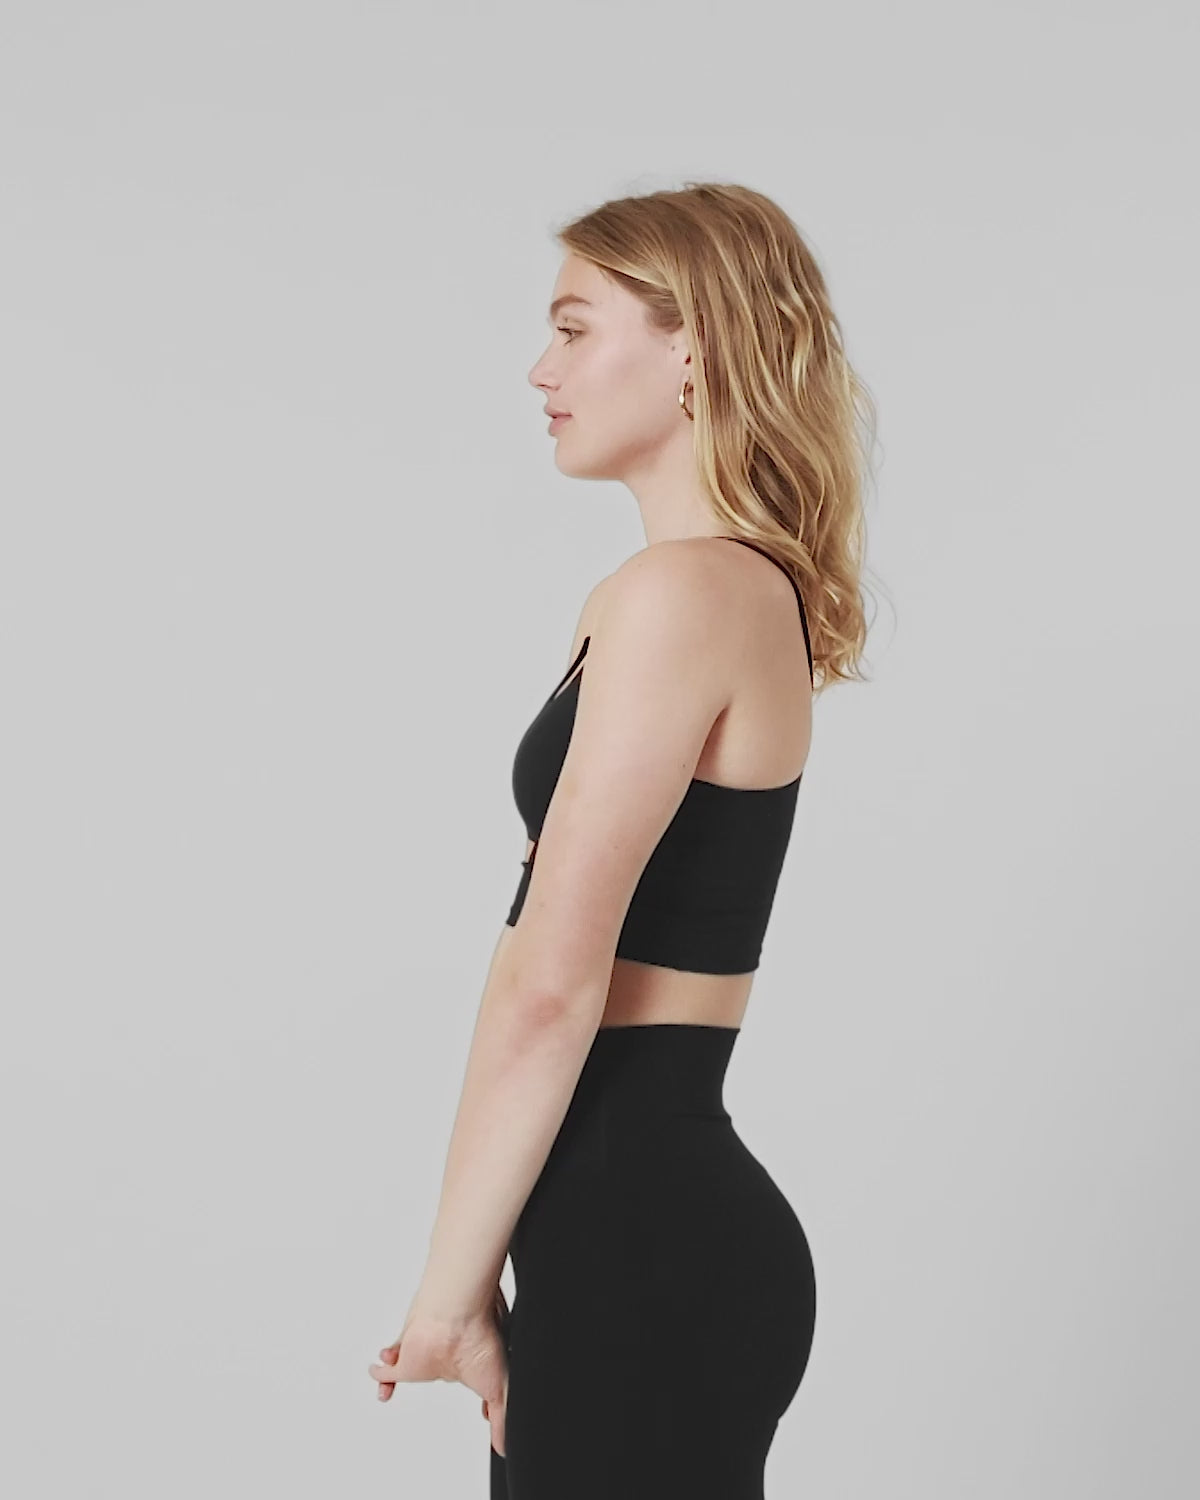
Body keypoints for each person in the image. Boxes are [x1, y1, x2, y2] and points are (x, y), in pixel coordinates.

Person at [367, 180, 877, 1499]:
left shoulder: (680, 596)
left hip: (638, 1248)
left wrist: (449, 1294)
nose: (540, 370)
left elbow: (550, 984)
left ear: (692, 346)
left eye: (574, 328)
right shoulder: (711, 592)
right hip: (638, 1238)